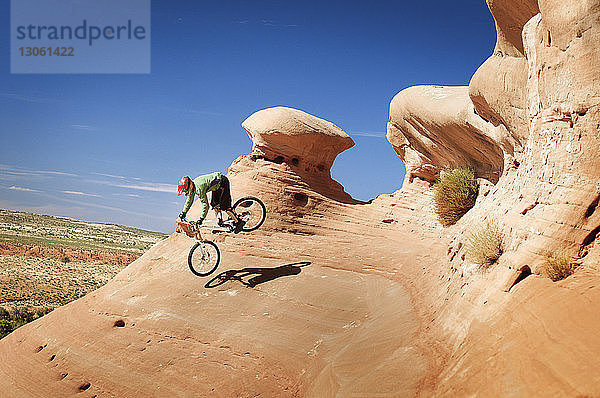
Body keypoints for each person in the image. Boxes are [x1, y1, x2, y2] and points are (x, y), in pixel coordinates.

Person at [177, 172, 245, 233]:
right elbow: (189, 201)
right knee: (215, 205)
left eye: (185, 191)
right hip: (216, 186)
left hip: (222, 182)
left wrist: (201, 219)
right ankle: (220, 224)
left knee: (225, 207)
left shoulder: (199, 188)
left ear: (189, 186)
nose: (185, 193)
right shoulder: (193, 186)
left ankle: (239, 222)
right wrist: (183, 213)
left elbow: (205, 205)